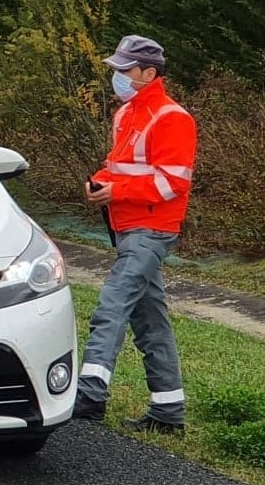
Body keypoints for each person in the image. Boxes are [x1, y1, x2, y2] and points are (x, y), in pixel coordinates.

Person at [75, 35, 197, 434]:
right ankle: (168, 412)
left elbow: (173, 182)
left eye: (125, 70)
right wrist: (100, 183)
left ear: (149, 73)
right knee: (150, 321)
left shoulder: (172, 118)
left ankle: (90, 393)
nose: (118, 76)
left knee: (111, 305)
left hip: (151, 230)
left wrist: (119, 190)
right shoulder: (127, 114)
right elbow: (119, 166)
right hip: (126, 226)